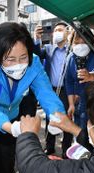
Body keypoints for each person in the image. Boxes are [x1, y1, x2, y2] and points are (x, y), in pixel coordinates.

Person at [0, 22, 65, 173]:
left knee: (8, 157)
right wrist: (11, 127)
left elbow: (45, 91)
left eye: (23, 57)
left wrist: (56, 114)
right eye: (10, 59)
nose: (18, 64)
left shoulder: (33, 63)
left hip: (13, 114)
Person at [34, 22, 73, 156]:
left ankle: (66, 149)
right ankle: (49, 147)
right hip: (51, 90)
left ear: (67, 33)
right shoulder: (49, 48)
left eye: (60, 30)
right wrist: (37, 37)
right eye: (55, 30)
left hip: (66, 91)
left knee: (67, 118)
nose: (57, 32)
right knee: (51, 118)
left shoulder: (72, 50)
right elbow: (37, 54)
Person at [65, 31, 94, 129]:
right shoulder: (71, 58)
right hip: (78, 104)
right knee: (79, 134)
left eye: (83, 42)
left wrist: (91, 76)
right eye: (76, 43)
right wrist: (71, 104)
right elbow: (69, 81)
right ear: (71, 44)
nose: (80, 46)